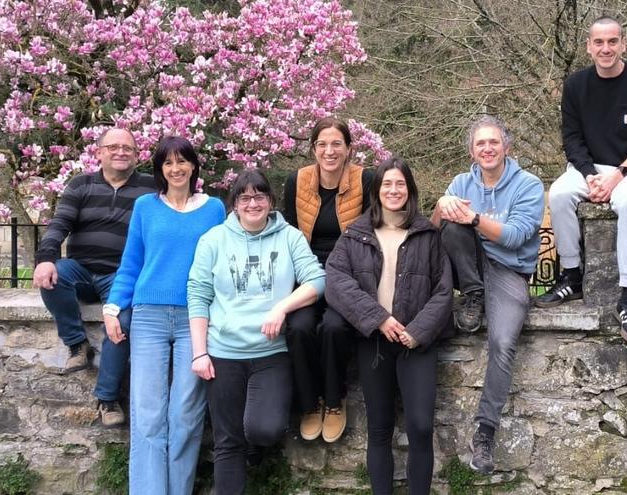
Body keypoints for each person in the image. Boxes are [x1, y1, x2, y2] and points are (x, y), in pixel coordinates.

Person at [188, 169, 326, 495]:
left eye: (260, 196)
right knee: (227, 441)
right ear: (234, 203)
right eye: (245, 197)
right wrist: (199, 353)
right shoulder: (213, 240)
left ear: (271, 200)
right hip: (223, 353)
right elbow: (198, 294)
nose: (253, 203)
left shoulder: (289, 236)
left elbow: (317, 280)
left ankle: (254, 442)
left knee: (266, 429)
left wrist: (281, 308)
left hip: (271, 352)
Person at [103, 136, 225, 495]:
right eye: (168, 163)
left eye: (182, 161)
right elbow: (131, 263)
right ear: (159, 169)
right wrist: (112, 307)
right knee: (148, 415)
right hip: (149, 318)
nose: (176, 169)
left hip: (195, 319)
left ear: (193, 165)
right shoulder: (145, 206)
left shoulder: (214, 209)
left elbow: (223, 264)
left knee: (186, 414)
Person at [535, 16, 627, 346]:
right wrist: (590, 176)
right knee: (559, 194)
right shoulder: (575, 85)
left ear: (624, 44)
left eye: (612, 41)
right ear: (589, 47)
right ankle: (571, 276)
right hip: (590, 169)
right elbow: (572, 139)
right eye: (599, 42)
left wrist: (618, 176)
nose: (605, 48)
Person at [326, 156, 452, 495]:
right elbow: (336, 281)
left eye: (400, 184)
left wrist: (418, 331)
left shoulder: (428, 234)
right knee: (379, 429)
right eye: (387, 184)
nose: (393, 190)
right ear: (377, 191)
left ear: (409, 189)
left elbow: (443, 291)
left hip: (416, 343)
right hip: (375, 343)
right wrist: (378, 318)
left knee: (421, 427)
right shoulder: (355, 235)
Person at [431, 115, 544, 475]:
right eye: (480, 143)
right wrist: (441, 205)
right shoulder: (461, 183)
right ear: (472, 151)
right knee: (451, 226)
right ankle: (473, 295)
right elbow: (434, 233)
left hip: (509, 271)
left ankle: (485, 433)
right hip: (471, 269)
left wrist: (475, 218)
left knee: (503, 342)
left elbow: (515, 236)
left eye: (494, 141)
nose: (488, 148)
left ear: (506, 146)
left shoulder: (528, 184)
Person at [33, 127, 154, 427]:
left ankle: (107, 398)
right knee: (54, 277)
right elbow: (60, 223)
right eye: (113, 147)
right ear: (98, 152)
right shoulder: (81, 185)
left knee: (121, 323)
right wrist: (46, 258)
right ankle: (77, 344)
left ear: (137, 154)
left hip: (122, 275)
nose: (121, 152)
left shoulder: (151, 188)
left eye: (128, 148)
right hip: (81, 269)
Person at [282, 117, 373, 443]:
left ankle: (334, 401)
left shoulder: (365, 180)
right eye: (322, 144)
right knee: (299, 327)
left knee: (334, 327)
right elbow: (289, 234)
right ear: (313, 149)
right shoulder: (297, 181)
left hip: (347, 275)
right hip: (308, 272)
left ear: (349, 148)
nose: (329, 151)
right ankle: (310, 403)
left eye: (336, 144)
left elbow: (373, 233)